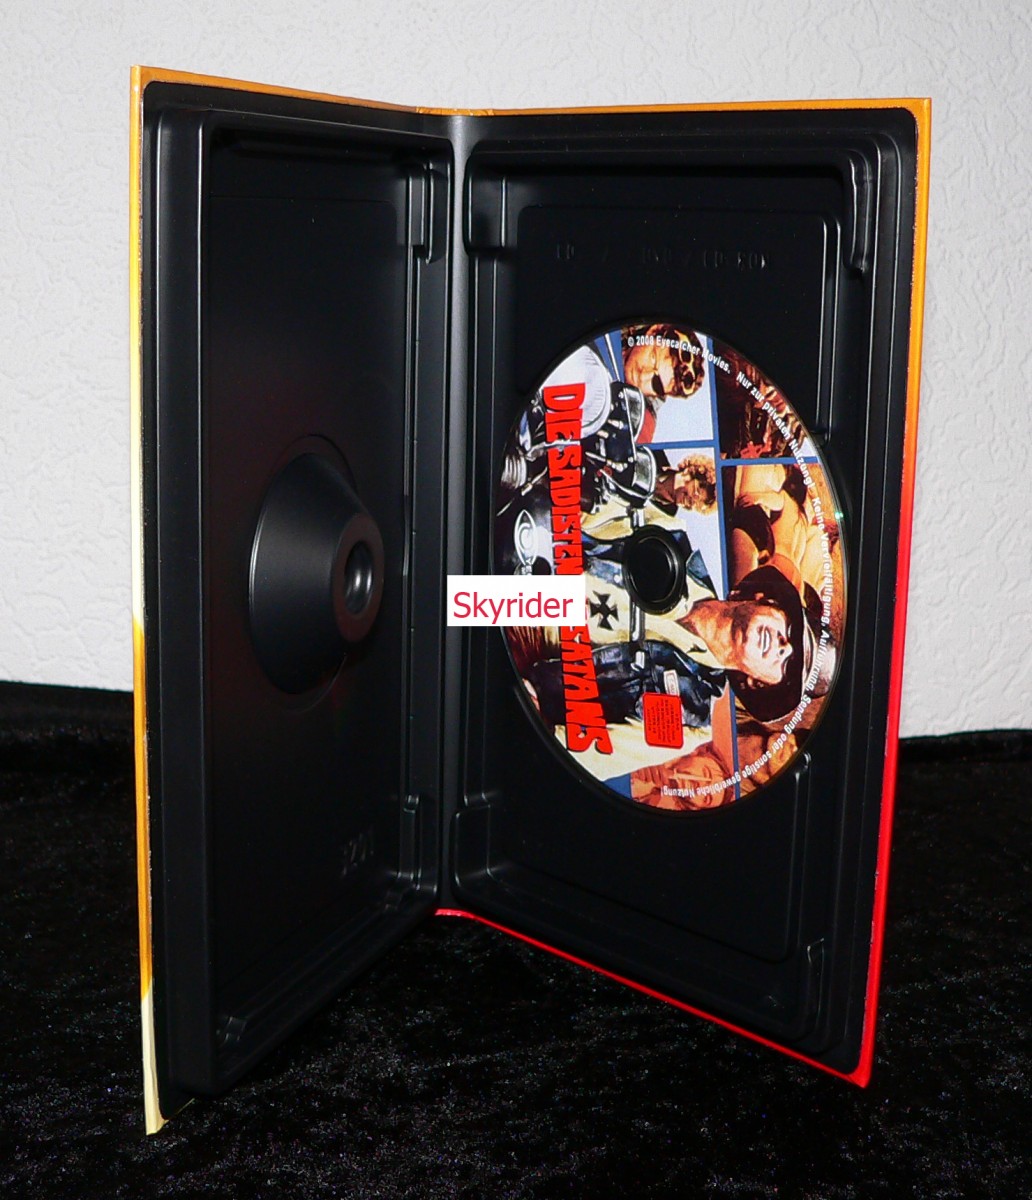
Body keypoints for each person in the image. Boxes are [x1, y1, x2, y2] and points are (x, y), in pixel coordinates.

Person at [622, 324, 706, 442]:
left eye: (656, 383)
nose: (643, 376)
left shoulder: (641, 422)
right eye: (653, 358)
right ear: (652, 333)